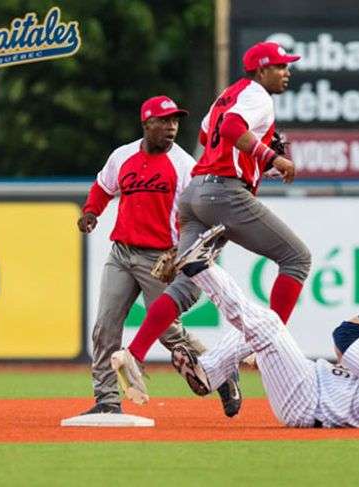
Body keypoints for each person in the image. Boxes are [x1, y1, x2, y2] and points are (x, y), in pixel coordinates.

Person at [115, 41, 311, 396]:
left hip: (195, 195)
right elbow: (234, 128)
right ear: (261, 70)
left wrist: (257, 159)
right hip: (223, 194)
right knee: (297, 258)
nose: (287, 72)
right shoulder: (257, 96)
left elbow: (209, 134)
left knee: (188, 285)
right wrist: (271, 157)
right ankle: (265, 347)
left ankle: (133, 353)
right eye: (281, 66)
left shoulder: (227, 95)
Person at [112, 225, 359, 428]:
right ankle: (209, 373)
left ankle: (201, 269)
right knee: (261, 330)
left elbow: (343, 336)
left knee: (268, 325)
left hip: (307, 401)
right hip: (310, 390)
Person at [77, 96, 241, 417]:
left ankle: (221, 373)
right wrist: (91, 211)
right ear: (146, 124)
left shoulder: (183, 166)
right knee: (105, 327)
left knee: (168, 334)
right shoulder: (122, 156)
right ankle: (107, 400)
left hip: (161, 260)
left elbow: (197, 215)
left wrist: (183, 255)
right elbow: (102, 186)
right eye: (164, 121)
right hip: (122, 253)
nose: (171, 127)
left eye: (175, 121)